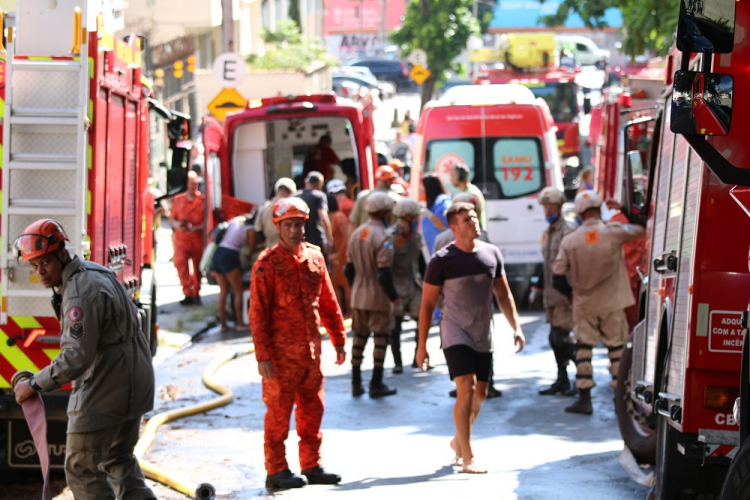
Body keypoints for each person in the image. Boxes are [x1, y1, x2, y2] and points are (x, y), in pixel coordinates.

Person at [12, 219, 156, 500]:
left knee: (81, 469)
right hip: (135, 381)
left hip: (107, 388)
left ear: (62, 254)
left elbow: (76, 356)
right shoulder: (95, 271)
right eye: (34, 266)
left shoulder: (78, 292)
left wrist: (34, 384)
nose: (39, 272)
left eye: (45, 263)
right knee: (119, 460)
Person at [416, 203, 525, 473]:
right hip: (455, 331)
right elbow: (427, 305)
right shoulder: (442, 260)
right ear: (454, 227)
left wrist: (516, 326)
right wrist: (422, 347)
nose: (473, 222)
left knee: (481, 393)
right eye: (466, 219)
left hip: (482, 331)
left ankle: (457, 440)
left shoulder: (491, 253)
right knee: (466, 386)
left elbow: (504, 294)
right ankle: (468, 457)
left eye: (475, 217)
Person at [250, 197, 346, 489]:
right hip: (279, 359)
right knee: (278, 415)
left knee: (312, 410)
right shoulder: (267, 265)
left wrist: (338, 339)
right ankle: (276, 471)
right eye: (288, 225)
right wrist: (263, 356)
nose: (294, 230)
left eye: (298, 225)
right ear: (278, 227)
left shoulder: (315, 258)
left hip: (310, 354)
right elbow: (257, 314)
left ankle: (312, 465)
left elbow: (328, 302)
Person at [552, 190, 646, 415]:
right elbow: (642, 228)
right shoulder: (613, 232)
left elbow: (557, 276)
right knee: (616, 349)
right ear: (598, 208)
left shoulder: (570, 239)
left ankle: (585, 399)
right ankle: (619, 398)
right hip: (613, 301)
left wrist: (570, 296)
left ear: (580, 212)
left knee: (583, 349)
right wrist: (623, 208)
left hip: (584, 304)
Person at [345, 192, 400, 398]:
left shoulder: (358, 232)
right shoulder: (384, 237)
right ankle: (376, 383)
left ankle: (356, 382)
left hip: (358, 294)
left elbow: (348, 269)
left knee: (358, 338)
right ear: (385, 212)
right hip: (377, 296)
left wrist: (356, 287)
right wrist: (393, 296)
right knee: (380, 339)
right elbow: (383, 272)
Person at [537, 188, 578, 396]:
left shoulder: (568, 230)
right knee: (555, 338)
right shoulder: (548, 232)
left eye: (550, 206)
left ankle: (582, 376)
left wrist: (570, 292)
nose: (547, 210)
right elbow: (545, 263)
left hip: (564, 295)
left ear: (560, 207)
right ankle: (562, 378)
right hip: (551, 295)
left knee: (561, 337)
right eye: (545, 206)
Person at [387, 198, 424, 374]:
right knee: (395, 327)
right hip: (398, 286)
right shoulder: (391, 236)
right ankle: (397, 362)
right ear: (407, 216)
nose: (417, 219)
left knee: (422, 322)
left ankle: (418, 358)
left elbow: (420, 261)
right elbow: (386, 265)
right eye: (415, 216)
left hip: (415, 285)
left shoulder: (415, 235)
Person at [606, 199, 647, 331]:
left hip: (621, 281)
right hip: (637, 279)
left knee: (622, 325)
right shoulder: (647, 223)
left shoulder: (613, 221)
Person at [169, 170, 206, 305]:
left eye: (194, 185)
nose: (192, 188)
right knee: (181, 266)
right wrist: (179, 224)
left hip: (196, 240)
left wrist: (195, 228)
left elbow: (207, 222)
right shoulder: (178, 200)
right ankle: (187, 293)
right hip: (181, 240)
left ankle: (196, 293)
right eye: (190, 185)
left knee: (197, 268)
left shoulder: (202, 201)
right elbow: (172, 218)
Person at [211, 214, 253, 331]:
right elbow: (252, 248)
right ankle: (240, 324)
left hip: (217, 253)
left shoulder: (236, 220)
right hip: (229, 255)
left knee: (223, 292)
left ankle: (223, 325)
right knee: (238, 291)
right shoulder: (250, 229)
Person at [252, 177, 297, 254]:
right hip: (288, 251)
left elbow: (257, 229)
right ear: (292, 192)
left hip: (270, 251)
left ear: (276, 191)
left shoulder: (264, 206)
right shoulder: (292, 206)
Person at [295, 172, 333, 256]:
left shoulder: (295, 196)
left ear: (306, 181)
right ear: (320, 184)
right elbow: (323, 216)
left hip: (299, 239)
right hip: (316, 240)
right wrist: (329, 238)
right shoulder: (319, 196)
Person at [327, 193, 351, 317]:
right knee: (336, 284)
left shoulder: (338, 217)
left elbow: (346, 235)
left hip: (343, 255)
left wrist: (339, 253)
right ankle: (341, 312)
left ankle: (348, 312)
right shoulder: (332, 217)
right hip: (337, 256)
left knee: (344, 284)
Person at [421, 173, 452, 255]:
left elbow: (445, 226)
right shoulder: (434, 202)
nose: (421, 188)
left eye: (423, 186)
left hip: (443, 249)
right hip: (434, 249)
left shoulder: (443, 202)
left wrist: (429, 215)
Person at [450, 164, 487, 231]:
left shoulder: (472, 193)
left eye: (453, 176)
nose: (451, 179)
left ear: (461, 176)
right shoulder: (465, 192)